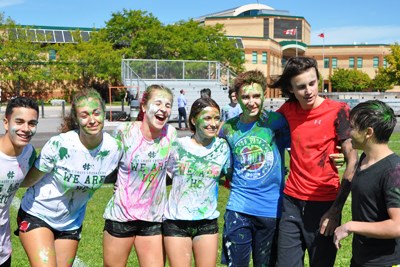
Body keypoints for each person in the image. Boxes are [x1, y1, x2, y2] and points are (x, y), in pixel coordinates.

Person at [16, 88, 122, 267]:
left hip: (71, 222)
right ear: (76, 118)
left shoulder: (114, 148)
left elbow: (118, 175)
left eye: (96, 113)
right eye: (84, 115)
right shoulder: (60, 145)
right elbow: (28, 180)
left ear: (105, 113)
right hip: (37, 213)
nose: (92, 120)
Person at [269, 56, 358, 267]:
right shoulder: (287, 111)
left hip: (324, 203)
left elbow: (352, 159)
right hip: (290, 202)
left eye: (312, 83)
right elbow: (260, 131)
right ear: (290, 89)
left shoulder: (338, 110)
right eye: (301, 87)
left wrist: (335, 211)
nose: (309, 90)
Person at [219, 70, 290, 266]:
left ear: (264, 96)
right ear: (237, 98)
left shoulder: (276, 122)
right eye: (246, 97)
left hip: (271, 209)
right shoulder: (228, 128)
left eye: (256, 96)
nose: (252, 102)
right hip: (238, 208)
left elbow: (300, 150)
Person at [103, 84, 177, 267]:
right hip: (121, 216)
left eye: (168, 105)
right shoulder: (124, 131)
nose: (163, 109)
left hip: (153, 218)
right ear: (144, 107)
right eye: (158, 103)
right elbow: (108, 166)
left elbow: (173, 172)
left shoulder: (171, 134)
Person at [163, 97, 232, 267]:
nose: (213, 123)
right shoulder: (177, 146)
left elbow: (231, 175)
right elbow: (161, 176)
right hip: (176, 223)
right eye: (207, 118)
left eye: (217, 118)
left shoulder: (223, 148)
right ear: (194, 120)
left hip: (207, 222)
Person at [334, 100, 400, 267]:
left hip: (384, 262)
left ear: (368, 132)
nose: (348, 132)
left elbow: (397, 226)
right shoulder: (365, 159)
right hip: (361, 259)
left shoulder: (393, 171)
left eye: (353, 127)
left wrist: (350, 226)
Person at [0, 97, 38, 267]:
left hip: (3, 249)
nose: (26, 129)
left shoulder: (29, 154)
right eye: (20, 121)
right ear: (6, 123)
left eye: (31, 123)